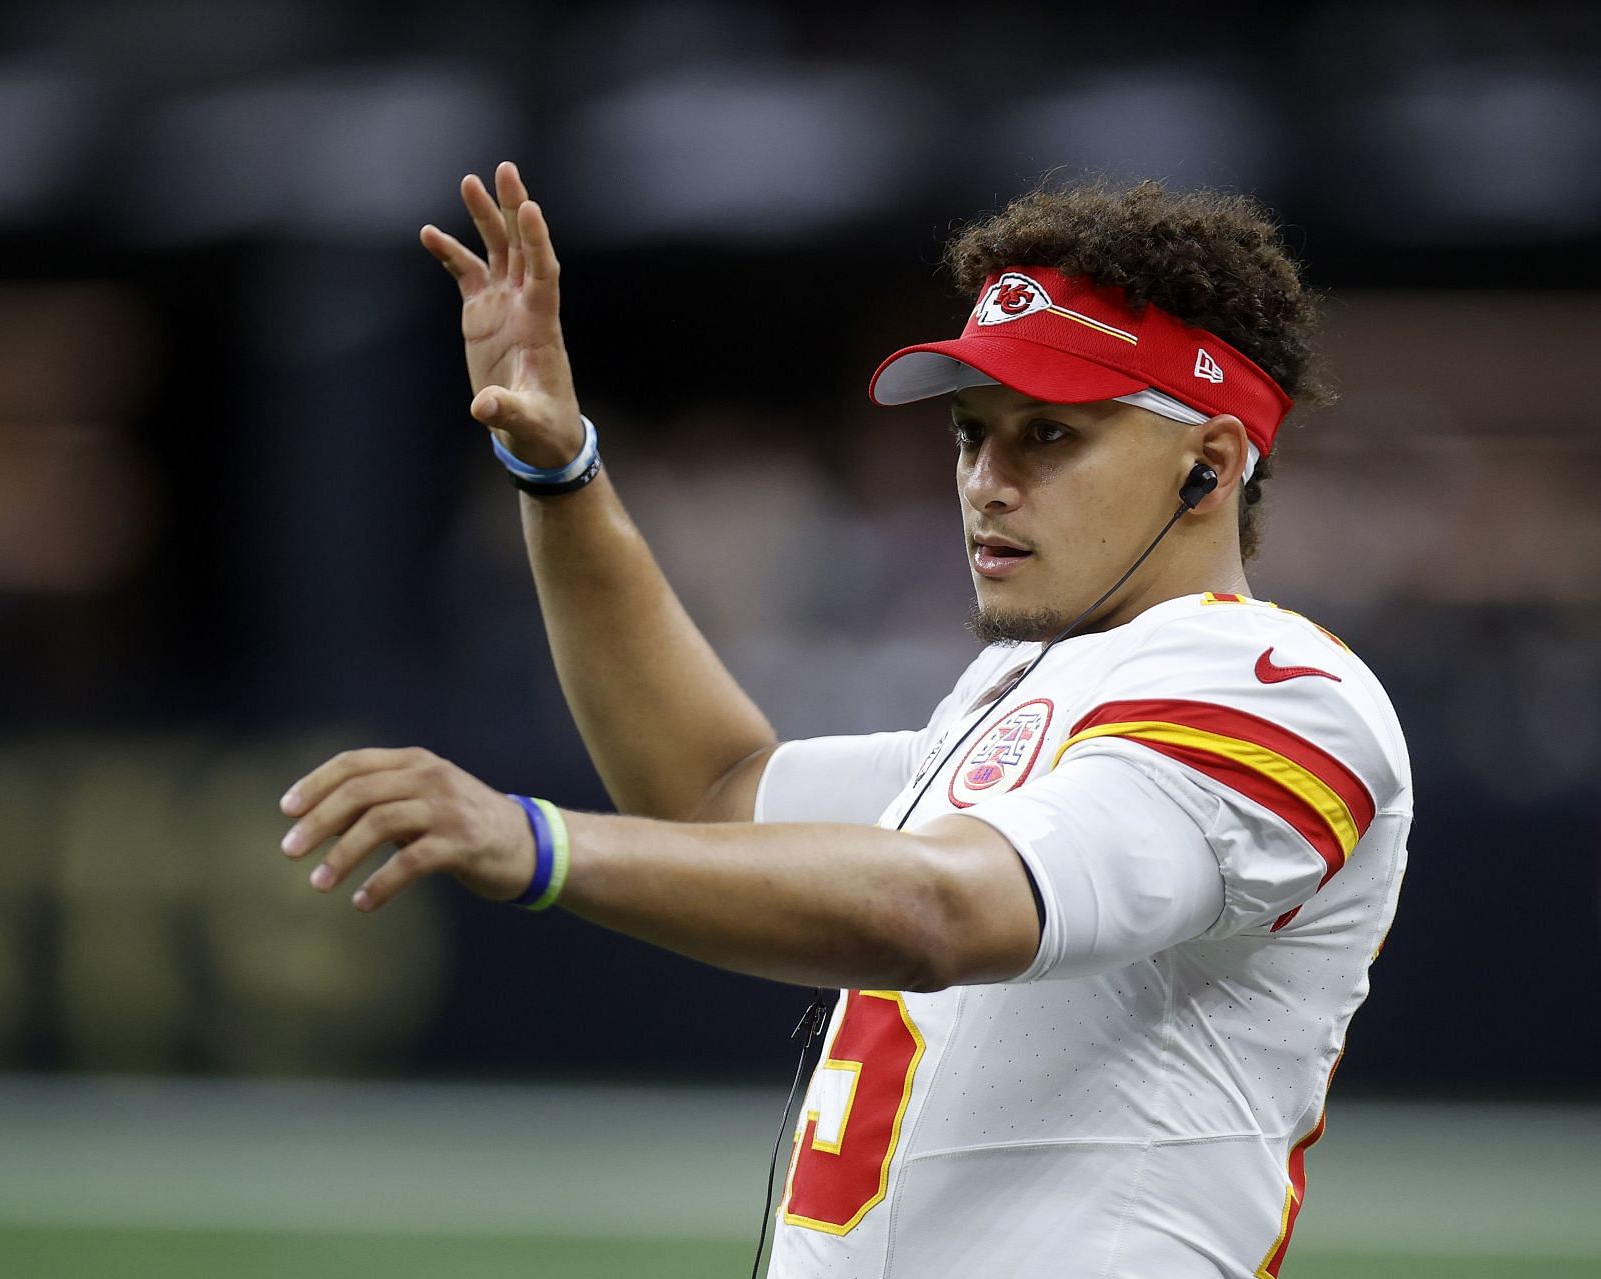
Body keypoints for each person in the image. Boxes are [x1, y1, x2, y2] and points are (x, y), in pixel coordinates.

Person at [277, 162, 1410, 1278]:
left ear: (1208, 465)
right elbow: (715, 791)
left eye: (1049, 435)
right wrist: (562, 474)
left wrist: (537, 841)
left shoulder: (1276, 686)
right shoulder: (1026, 692)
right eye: (972, 433)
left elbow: (937, 912)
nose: (985, 481)